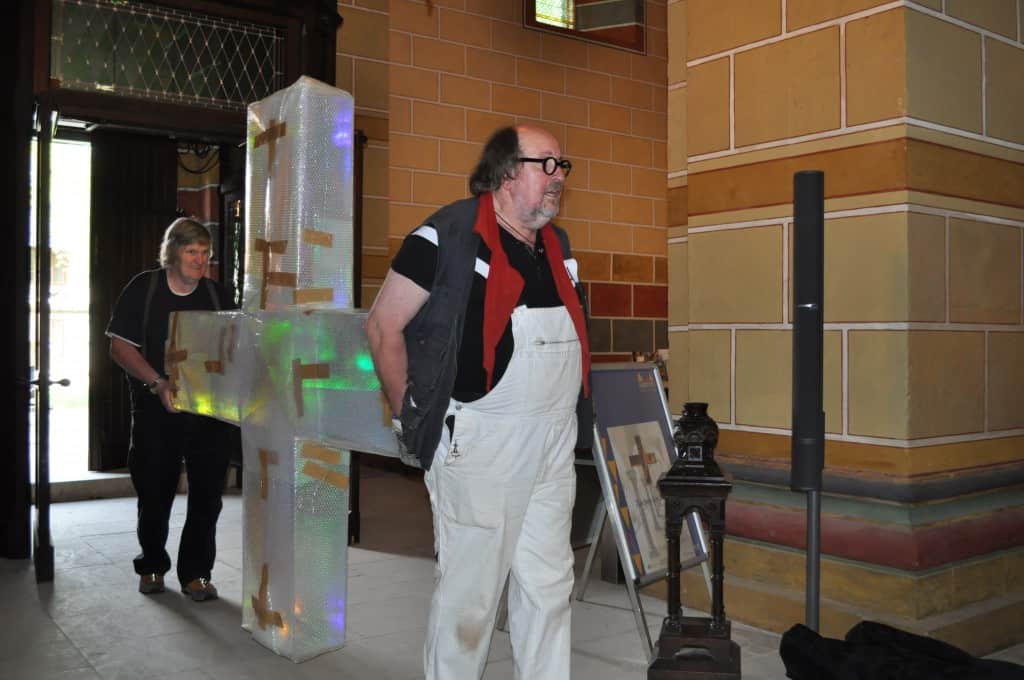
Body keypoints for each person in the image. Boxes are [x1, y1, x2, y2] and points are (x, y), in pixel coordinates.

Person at [366, 125, 592, 680]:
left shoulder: (557, 248)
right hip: (483, 440)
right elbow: (381, 327)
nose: (559, 177)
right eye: (548, 164)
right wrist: (409, 416)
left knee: (549, 586)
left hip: (552, 442)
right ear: (507, 171)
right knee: (471, 598)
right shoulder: (443, 236)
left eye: (563, 166)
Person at [106, 217, 236, 602]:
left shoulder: (217, 296)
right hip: (156, 410)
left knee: (208, 496)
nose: (200, 261)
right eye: (191, 252)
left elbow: (235, 349)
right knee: (154, 491)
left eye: (205, 254)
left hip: (209, 414)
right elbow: (119, 347)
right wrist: (157, 383)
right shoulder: (144, 290)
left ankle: (196, 574)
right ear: (172, 253)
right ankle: (151, 565)